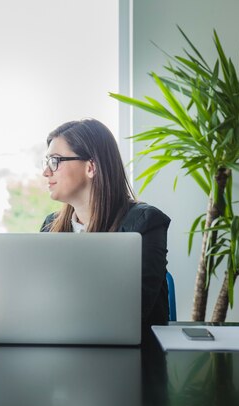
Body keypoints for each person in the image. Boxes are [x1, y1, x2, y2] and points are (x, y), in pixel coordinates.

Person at [40, 118, 171, 330]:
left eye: (54, 161)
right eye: (46, 162)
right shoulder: (51, 226)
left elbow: (131, 313)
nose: (46, 172)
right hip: (61, 346)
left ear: (91, 167)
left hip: (132, 354)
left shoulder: (145, 224)